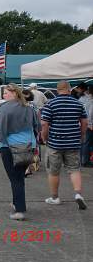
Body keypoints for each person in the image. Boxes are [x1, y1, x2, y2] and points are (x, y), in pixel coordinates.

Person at [0, 84, 40, 221]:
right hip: (28, 146)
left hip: (10, 147)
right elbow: (36, 126)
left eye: (6, 93)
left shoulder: (5, 109)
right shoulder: (29, 108)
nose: (3, 96)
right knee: (20, 177)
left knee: (14, 178)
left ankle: (20, 210)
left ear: (14, 94)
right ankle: (17, 202)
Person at [41, 80, 88, 210]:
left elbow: (44, 124)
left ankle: (55, 198)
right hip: (73, 142)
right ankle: (78, 194)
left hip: (55, 143)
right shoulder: (78, 104)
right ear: (69, 89)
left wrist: (44, 137)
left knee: (54, 171)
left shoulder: (50, 104)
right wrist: (82, 135)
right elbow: (84, 122)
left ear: (57, 90)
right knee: (74, 169)